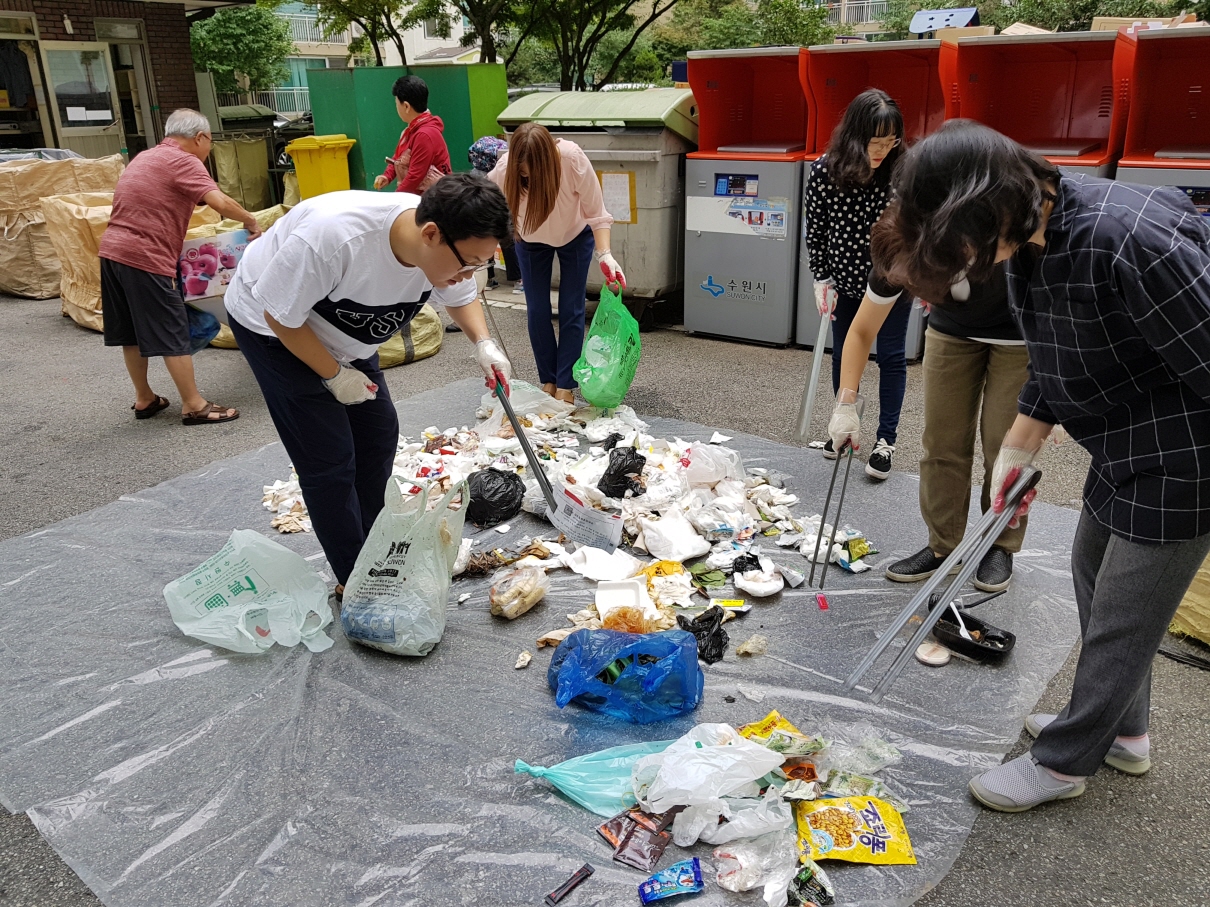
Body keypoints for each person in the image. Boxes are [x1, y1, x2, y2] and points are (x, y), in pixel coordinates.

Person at [867, 119, 1210, 813]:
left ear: (986, 207)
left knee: (1124, 616)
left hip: (1186, 451)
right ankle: (1125, 729)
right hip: (1123, 438)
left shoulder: (1129, 240)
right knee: (1093, 575)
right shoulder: (1031, 237)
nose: (965, 270)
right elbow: (1055, 354)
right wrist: (1018, 452)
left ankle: (1063, 763)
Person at [224, 173, 513, 595]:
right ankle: (355, 577)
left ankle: (375, 546)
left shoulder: (448, 245)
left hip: (346, 336)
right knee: (329, 457)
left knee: (378, 436)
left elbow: (462, 295)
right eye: (467, 263)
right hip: (275, 329)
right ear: (430, 234)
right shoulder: (335, 238)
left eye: (481, 264)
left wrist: (483, 344)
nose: (468, 274)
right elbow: (280, 316)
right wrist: (335, 375)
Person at [827, 263, 1031, 592]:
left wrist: (1058, 390)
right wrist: (847, 403)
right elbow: (862, 329)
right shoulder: (904, 251)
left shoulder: (1001, 232)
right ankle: (943, 545)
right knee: (941, 442)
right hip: (951, 332)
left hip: (1021, 333)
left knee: (1006, 448)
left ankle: (1000, 544)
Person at [98, 108, 261, 425]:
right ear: (200, 137)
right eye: (210, 142)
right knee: (171, 327)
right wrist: (250, 219)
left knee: (131, 331)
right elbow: (219, 202)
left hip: (112, 252)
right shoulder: (184, 160)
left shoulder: (147, 157)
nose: (208, 150)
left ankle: (145, 398)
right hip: (145, 256)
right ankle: (194, 405)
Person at [804, 88, 911, 480]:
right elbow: (815, 230)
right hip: (843, 280)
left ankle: (886, 441)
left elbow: (913, 228)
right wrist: (821, 277)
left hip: (891, 281)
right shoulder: (825, 171)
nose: (882, 150)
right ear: (854, 136)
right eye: (875, 142)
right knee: (844, 354)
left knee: (891, 355)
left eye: (890, 141)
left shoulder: (902, 170)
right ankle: (843, 427)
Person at [488, 123, 625, 405]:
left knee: (571, 308)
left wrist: (605, 255)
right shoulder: (503, 170)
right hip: (529, 239)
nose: (529, 180)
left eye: (533, 173)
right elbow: (487, 209)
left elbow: (596, 213)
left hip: (574, 235)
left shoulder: (571, 158)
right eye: (523, 175)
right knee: (537, 309)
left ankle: (566, 383)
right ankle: (548, 379)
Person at [373, 75, 452, 195]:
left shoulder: (424, 135)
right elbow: (398, 157)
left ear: (406, 106)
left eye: (396, 104)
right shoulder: (413, 130)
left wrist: (395, 199)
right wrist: (387, 176)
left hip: (436, 200)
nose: (396, 108)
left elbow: (415, 176)